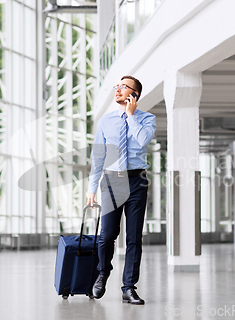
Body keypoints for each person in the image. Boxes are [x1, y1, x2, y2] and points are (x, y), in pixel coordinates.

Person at [86, 75, 156, 305]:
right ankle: (103, 272)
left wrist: (131, 115)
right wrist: (91, 188)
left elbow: (143, 139)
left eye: (124, 87)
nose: (118, 89)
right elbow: (98, 156)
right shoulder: (105, 122)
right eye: (118, 86)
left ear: (134, 94)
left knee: (134, 238)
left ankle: (128, 288)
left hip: (137, 181)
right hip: (111, 182)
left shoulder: (147, 119)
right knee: (107, 236)